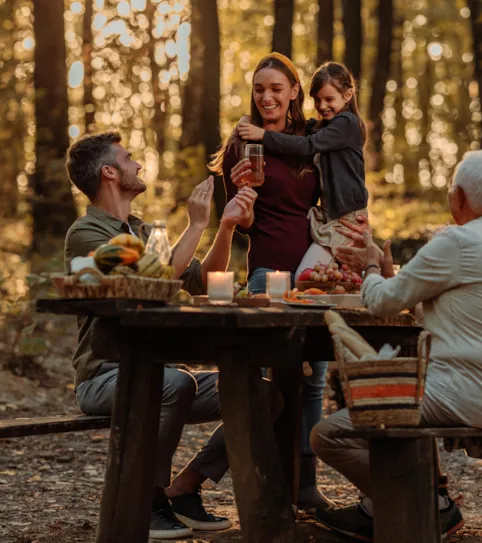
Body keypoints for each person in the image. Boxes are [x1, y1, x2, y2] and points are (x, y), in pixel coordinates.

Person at [310, 150, 482, 541]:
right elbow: (431, 299)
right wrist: (385, 273)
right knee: (408, 384)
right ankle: (425, 504)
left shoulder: (459, 241)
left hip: (464, 392)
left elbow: (382, 302)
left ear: (459, 198)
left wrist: (367, 265)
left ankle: (408, 503)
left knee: (327, 434)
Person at [63, 131, 258, 539]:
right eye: (128, 158)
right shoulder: (86, 234)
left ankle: (186, 487)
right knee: (174, 383)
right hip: (104, 377)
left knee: (260, 392)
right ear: (110, 172)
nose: (137, 163)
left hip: (165, 373)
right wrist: (195, 224)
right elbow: (157, 281)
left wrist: (222, 228)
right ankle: (146, 502)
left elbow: (204, 280)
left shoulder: (142, 230)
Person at [210, 52, 333, 510]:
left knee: (314, 380)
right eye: (260, 89)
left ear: (295, 91)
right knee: (268, 384)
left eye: (276, 88)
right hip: (267, 273)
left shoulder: (312, 138)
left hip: (315, 275)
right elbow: (239, 222)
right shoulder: (243, 142)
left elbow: (334, 200)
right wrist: (243, 198)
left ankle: (304, 484)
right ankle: (260, 482)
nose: (267, 97)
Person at [237, 61, 369, 277]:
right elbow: (306, 128)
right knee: (332, 276)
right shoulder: (330, 126)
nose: (322, 106)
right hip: (332, 218)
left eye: (329, 99)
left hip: (346, 220)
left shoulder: (346, 123)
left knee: (305, 277)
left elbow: (308, 144)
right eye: (317, 100)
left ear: (347, 95)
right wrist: (249, 121)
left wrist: (262, 135)